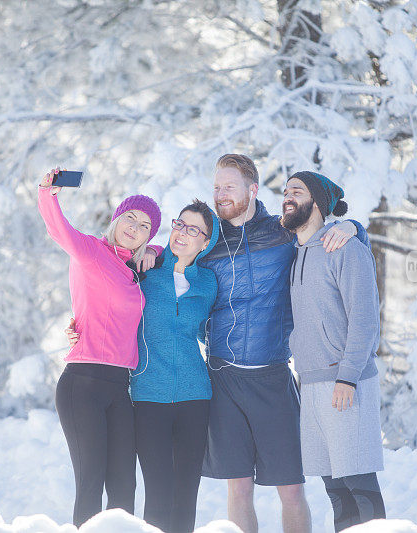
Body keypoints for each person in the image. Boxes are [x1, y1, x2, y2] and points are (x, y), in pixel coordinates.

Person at [144, 154, 366, 533]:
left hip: (273, 375)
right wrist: (149, 251)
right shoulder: (209, 240)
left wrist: (353, 226)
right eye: (216, 187)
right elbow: (174, 257)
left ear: (252, 189)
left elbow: (322, 229)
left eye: (229, 186)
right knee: (239, 487)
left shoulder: (281, 232)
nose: (220, 194)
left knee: (292, 489)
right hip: (223, 378)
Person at [68, 199, 220, 533]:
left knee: (186, 494)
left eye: (193, 229)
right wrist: (80, 325)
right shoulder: (145, 269)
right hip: (148, 396)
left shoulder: (208, 283)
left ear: (205, 242)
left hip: (196, 397)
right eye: (179, 224)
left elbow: (209, 332)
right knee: (158, 494)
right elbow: (111, 302)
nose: (182, 232)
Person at [37, 167, 161, 527]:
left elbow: (181, 251)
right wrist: (48, 192)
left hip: (120, 388)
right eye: (130, 218)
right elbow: (59, 229)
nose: (134, 227)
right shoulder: (91, 251)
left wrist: (153, 250)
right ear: (117, 218)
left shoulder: (135, 269)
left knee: (124, 488)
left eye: (144, 227)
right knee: (90, 485)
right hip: (83, 384)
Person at [281, 171, 386, 531]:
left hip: (345, 381)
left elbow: (365, 319)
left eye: (297, 190)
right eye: (285, 191)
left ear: (318, 203)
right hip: (309, 384)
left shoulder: (345, 247)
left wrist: (348, 377)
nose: (287, 196)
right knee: (335, 489)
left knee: (359, 484)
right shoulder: (294, 253)